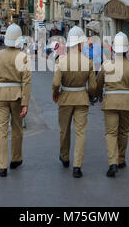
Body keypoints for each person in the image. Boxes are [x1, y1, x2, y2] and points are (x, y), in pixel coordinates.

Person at [0, 23, 31, 177]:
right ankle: (16, 159)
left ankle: (2, 167)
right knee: (17, 129)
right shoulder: (23, 57)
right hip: (17, 97)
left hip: (0, 96)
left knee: (1, 131)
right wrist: (25, 103)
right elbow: (26, 82)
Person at [96, 32, 129, 177]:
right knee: (123, 132)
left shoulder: (106, 65)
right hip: (126, 104)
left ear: (113, 49)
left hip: (110, 103)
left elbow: (98, 84)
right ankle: (121, 159)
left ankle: (113, 163)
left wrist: (98, 95)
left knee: (111, 133)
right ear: (127, 50)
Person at [52, 26, 96, 178]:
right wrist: (90, 95)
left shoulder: (61, 61)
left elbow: (56, 83)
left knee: (64, 130)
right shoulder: (89, 62)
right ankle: (77, 166)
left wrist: (55, 94)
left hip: (65, 98)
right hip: (82, 99)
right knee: (81, 133)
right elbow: (93, 86)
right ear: (80, 44)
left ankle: (65, 157)